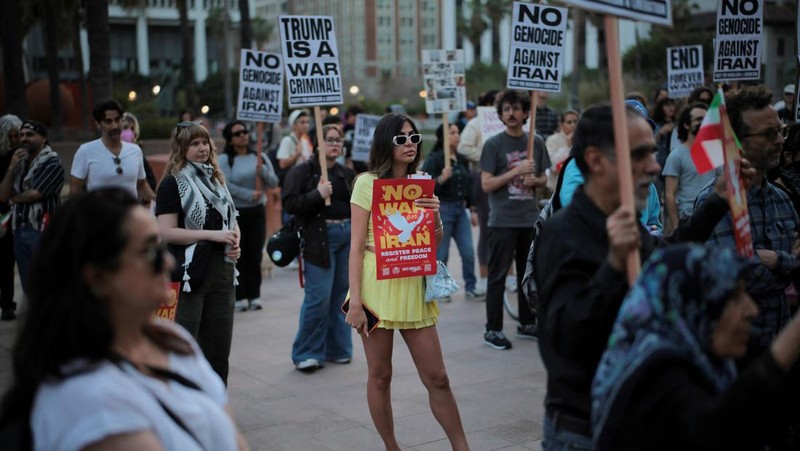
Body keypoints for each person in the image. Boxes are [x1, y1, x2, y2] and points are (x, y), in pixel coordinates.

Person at [534, 104, 737, 449]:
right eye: (640, 154)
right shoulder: (562, 234)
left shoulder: (628, 221)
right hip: (586, 431)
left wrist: (716, 200)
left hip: (636, 420)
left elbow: (662, 259)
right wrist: (613, 265)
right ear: (597, 160)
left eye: (653, 153)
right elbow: (565, 340)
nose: (654, 166)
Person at [0, 189, 250, 450]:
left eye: (161, 247)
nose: (167, 262)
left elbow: (235, 438)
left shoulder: (171, 339)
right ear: (97, 278)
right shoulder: (91, 398)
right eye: (149, 252)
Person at [591, 243, 800, 451]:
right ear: (693, 306)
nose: (751, 310)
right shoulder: (655, 379)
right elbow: (713, 432)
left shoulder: (710, 365)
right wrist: (789, 343)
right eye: (733, 297)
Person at [346, 113, 470, 451]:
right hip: (374, 284)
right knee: (380, 374)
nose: (410, 144)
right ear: (386, 143)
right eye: (401, 139)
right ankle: (391, 446)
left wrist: (435, 215)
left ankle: (462, 447)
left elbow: (433, 240)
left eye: (413, 137)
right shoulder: (366, 183)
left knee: (438, 377)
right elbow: (355, 248)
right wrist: (355, 302)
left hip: (411, 281)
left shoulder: (422, 181)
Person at [695, 85, 799, 375]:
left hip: (781, 352)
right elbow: (736, 277)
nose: (779, 141)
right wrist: (785, 262)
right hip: (735, 360)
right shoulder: (715, 203)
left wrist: (773, 260)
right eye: (769, 134)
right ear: (736, 141)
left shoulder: (782, 199)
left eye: (781, 131)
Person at [155, 121, 241, 384]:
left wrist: (236, 240)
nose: (202, 148)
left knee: (218, 348)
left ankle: (216, 406)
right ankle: (182, 407)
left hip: (223, 270)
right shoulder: (172, 183)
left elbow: (232, 219)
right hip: (188, 273)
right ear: (182, 148)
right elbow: (166, 232)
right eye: (194, 143)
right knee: (184, 344)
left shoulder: (216, 179)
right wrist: (211, 235)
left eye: (204, 142)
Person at [480, 89, 550, 349]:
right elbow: (487, 184)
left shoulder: (537, 142)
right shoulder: (493, 145)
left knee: (527, 273)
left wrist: (536, 180)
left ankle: (527, 322)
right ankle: (493, 329)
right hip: (502, 220)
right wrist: (516, 171)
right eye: (506, 110)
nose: (511, 114)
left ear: (525, 113)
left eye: (516, 109)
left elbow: (544, 180)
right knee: (498, 276)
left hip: (528, 218)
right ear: (500, 115)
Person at [283, 124, 355, 371]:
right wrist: (318, 193)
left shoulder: (346, 173)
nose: (335, 143)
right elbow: (290, 204)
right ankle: (306, 352)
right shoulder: (303, 172)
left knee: (341, 296)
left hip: (347, 237)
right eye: (330, 139)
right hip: (318, 239)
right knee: (318, 297)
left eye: (339, 140)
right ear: (317, 144)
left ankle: (339, 349)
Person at [218, 120, 279, 312]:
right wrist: (248, 195)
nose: (243, 135)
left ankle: (255, 295)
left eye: (244, 131)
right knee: (238, 253)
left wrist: (264, 171)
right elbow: (225, 184)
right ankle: (240, 296)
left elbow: (274, 181)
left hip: (257, 212)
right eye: (237, 133)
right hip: (236, 213)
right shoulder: (224, 160)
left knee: (254, 253)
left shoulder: (258, 156)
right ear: (229, 139)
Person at [0, 120, 64, 297]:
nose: (24, 138)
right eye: (22, 135)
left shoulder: (52, 162)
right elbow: (3, 195)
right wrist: (12, 167)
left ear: (43, 138)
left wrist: (15, 199)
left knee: (46, 282)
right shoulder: (19, 162)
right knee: (28, 284)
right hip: (19, 229)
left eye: (30, 135)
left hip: (41, 229)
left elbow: (35, 193)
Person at [422, 123, 483, 300]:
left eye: (458, 132)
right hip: (443, 209)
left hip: (460, 209)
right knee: (441, 253)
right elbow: (423, 187)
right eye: (452, 133)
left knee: (468, 251)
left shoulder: (462, 159)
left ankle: (470, 287)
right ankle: (439, 289)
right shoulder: (434, 159)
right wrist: (441, 178)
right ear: (443, 137)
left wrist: (473, 209)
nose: (457, 136)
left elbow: (469, 186)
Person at [71, 100, 155, 204]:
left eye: (117, 120)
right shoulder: (85, 151)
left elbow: (141, 185)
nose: (114, 126)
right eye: (108, 121)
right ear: (98, 124)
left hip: (130, 217)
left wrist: (158, 202)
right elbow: (75, 191)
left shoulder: (135, 150)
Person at [458, 89, 500, 294]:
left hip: (507, 179)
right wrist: (487, 157)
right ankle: (484, 277)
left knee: (505, 228)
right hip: (483, 176)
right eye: (499, 102)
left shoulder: (505, 122)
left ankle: (508, 275)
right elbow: (464, 147)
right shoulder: (476, 124)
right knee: (486, 227)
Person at [662, 102, 714, 234]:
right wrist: (676, 225)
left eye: (706, 119)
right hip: (689, 219)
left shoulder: (714, 151)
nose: (703, 122)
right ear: (686, 125)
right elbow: (669, 194)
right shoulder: (676, 155)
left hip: (713, 218)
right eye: (698, 119)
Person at [0, 115, 19, 321]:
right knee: (5, 262)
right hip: (3, 213)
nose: (14, 140)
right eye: (10, 136)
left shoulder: (26, 153)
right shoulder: (4, 156)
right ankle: (7, 304)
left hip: (22, 212)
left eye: (17, 135)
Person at [120, 111, 157, 193]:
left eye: (132, 129)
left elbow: (151, 182)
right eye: (125, 127)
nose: (129, 132)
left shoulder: (138, 154)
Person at [544, 109, 579, 192]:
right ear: (562, 125)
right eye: (569, 122)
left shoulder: (583, 139)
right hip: (557, 189)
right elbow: (553, 167)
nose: (573, 125)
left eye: (575, 121)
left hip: (578, 188)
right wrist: (567, 146)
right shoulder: (552, 140)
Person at [277, 109, 313, 173]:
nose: (306, 125)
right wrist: (296, 154)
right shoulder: (287, 140)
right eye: (302, 122)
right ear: (294, 125)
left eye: (307, 122)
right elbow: (282, 164)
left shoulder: (305, 140)